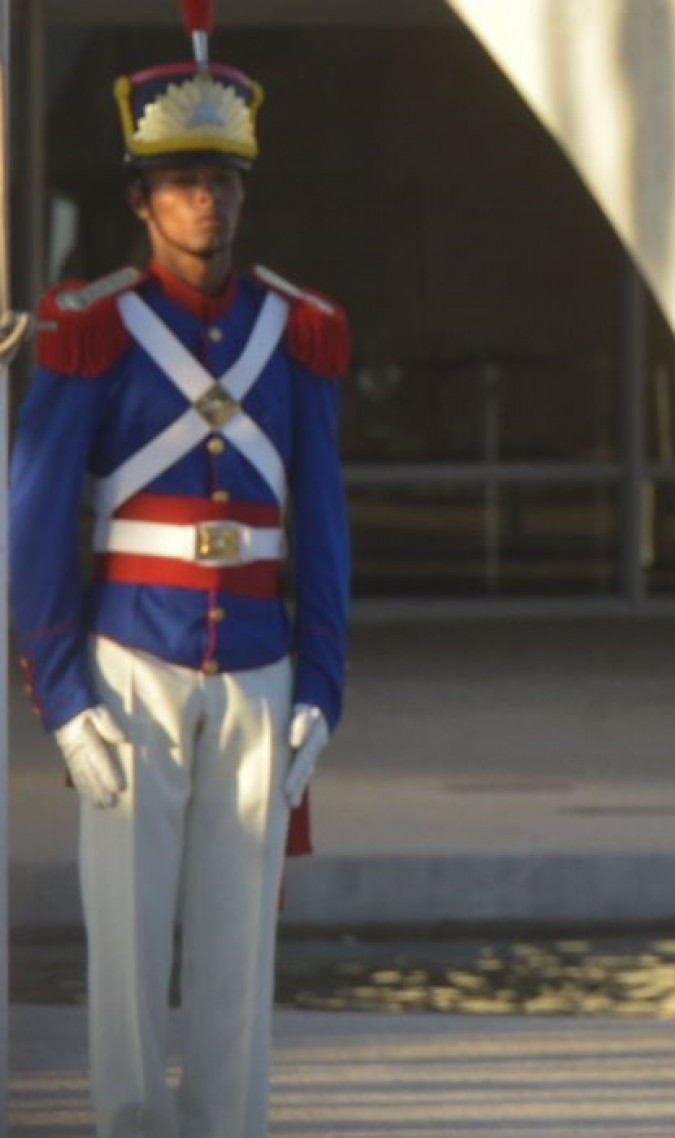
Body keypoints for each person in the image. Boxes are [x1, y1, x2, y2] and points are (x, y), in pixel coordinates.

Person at [9, 11, 350, 1136]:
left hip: (257, 667)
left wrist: (321, 687)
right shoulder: (88, 330)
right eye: (182, 179)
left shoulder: (293, 333)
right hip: (130, 668)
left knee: (237, 948)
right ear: (142, 200)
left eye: (222, 180)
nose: (207, 199)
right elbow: (36, 524)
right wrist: (62, 699)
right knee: (125, 939)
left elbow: (327, 526)